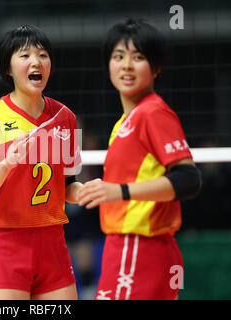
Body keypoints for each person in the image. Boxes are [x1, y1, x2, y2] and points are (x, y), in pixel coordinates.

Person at [77, 18, 202, 300]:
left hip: (139, 246)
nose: (126, 65)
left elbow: (188, 179)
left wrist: (119, 192)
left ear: (156, 67)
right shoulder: (125, 121)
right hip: (129, 247)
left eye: (138, 57)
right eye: (118, 57)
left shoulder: (152, 112)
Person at [0, 25, 83, 300]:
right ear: (7, 68)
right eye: (25, 55)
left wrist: (91, 191)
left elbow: (68, 186)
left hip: (52, 240)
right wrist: (7, 164)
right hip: (5, 241)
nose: (36, 62)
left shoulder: (66, 118)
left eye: (43, 55)